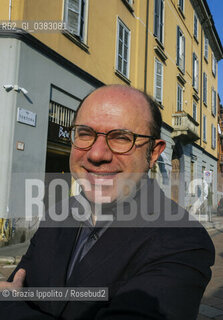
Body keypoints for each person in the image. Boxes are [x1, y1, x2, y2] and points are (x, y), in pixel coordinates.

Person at [0, 85, 214, 320]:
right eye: (84, 133)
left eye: (122, 138)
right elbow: (18, 286)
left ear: (153, 153)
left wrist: (7, 307)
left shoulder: (184, 240)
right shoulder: (58, 213)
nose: (96, 154)